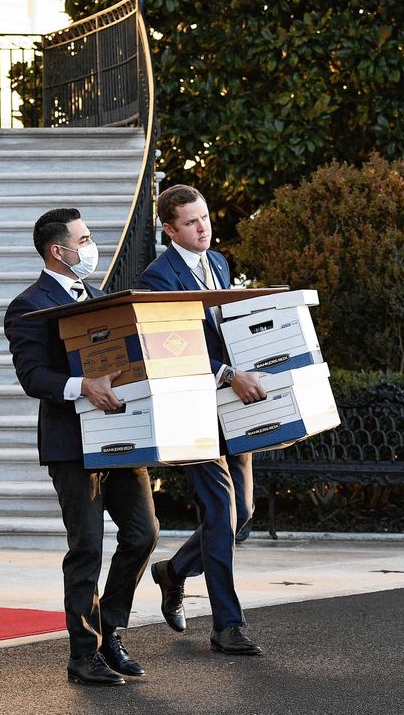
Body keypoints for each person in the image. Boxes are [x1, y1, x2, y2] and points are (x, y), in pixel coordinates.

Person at [4, 208, 160, 686]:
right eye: (85, 238)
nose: (92, 247)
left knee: (143, 533)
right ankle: (83, 655)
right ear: (59, 250)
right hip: (71, 445)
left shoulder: (98, 299)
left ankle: (109, 630)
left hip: (119, 438)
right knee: (87, 548)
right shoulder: (27, 306)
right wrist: (82, 386)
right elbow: (33, 377)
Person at [137, 183, 268, 656]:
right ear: (170, 229)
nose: (203, 228)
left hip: (233, 408)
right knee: (219, 513)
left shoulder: (218, 264)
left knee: (242, 514)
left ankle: (172, 572)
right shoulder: (158, 278)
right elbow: (172, 349)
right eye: (191, 223)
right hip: (192, 410)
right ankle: (227, 625)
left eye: (205, 218)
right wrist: (229, 374)